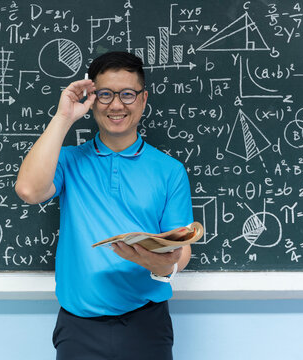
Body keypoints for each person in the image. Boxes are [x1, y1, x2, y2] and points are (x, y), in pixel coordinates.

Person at [15, 51, 193, 360]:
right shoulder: (69, 161)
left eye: (127, 94)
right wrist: (64, 117)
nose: (116, 105)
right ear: (92, 99)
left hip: (147, 321)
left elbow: (182, 247)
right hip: (79, 325)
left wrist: (162, 266)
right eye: (105, 94)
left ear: (143, 98)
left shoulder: (169, 170)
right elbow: (29, 190)